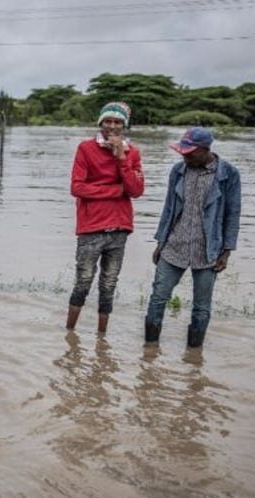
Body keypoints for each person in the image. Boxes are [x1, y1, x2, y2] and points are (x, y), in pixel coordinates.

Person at [144, 127, 241, 348]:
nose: (184, 157)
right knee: (158, 297)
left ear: (205, 150)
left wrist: (226, 251)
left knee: (201, 307)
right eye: (182, 152)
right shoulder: (178, 171)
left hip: (208, 249)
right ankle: (149, 351)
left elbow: (232, 214)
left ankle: (194, 355)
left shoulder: (229, 175)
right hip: (174, 245)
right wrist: (161, 242)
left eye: (189, 153)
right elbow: (169, 208)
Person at [66, 101, 145, 334]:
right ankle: (69, 333)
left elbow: (136, 190)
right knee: (83, 281)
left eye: (118, 122)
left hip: (120, 228)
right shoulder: (86, 148)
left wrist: (121, 157)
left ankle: (102, 338)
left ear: (124, 125)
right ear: (100, 122)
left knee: (109, 284)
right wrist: (115, 191)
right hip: (91, 227)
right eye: (108, 121)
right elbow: (77, 188)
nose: (112, 126)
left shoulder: (133, 153)